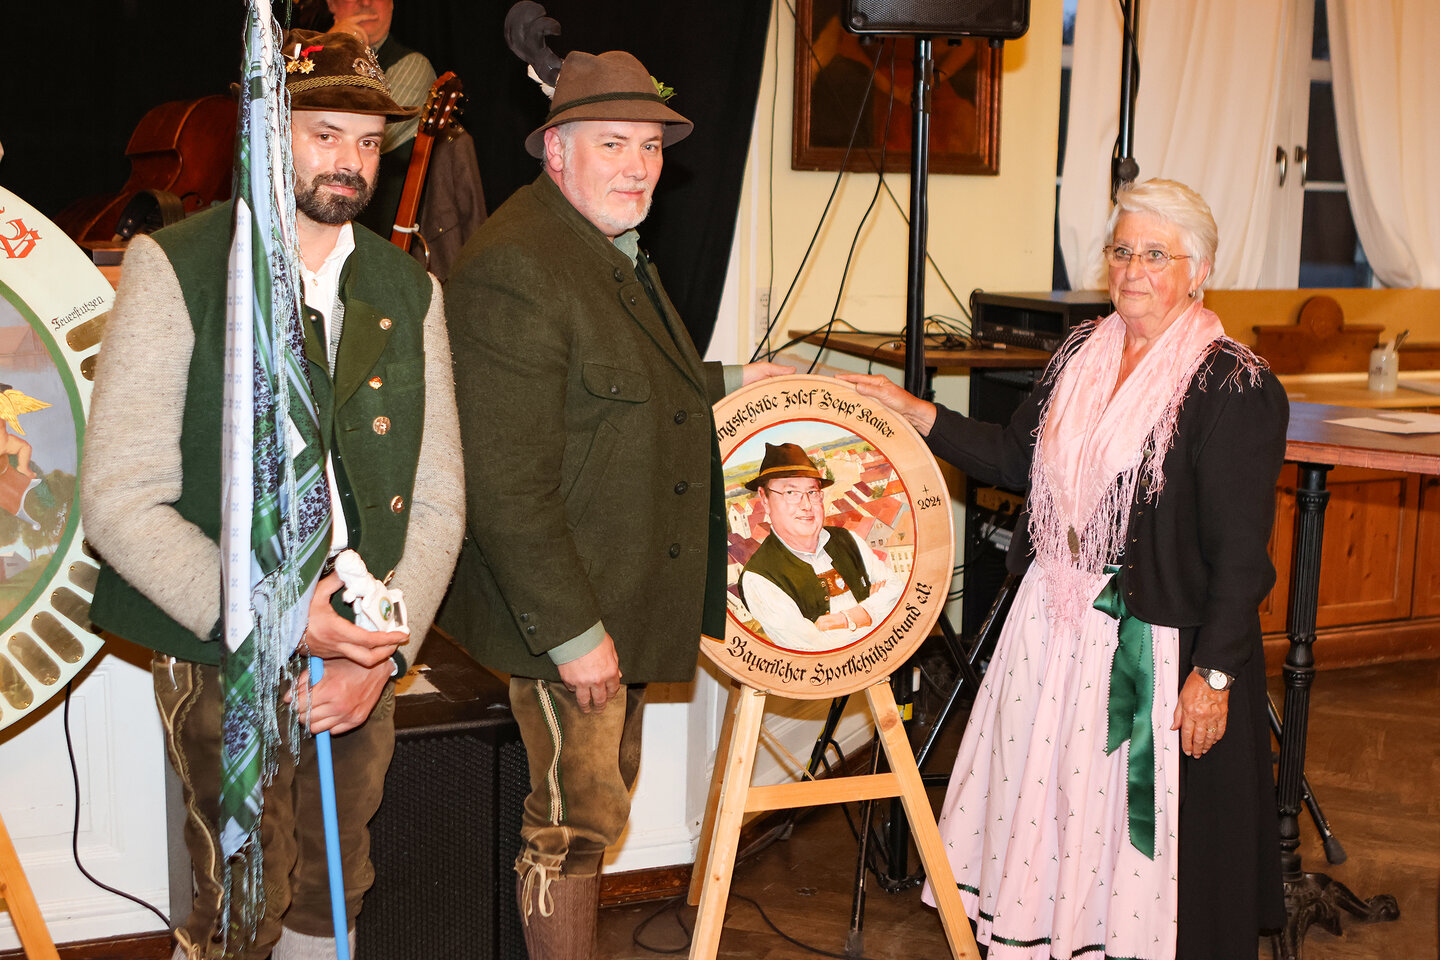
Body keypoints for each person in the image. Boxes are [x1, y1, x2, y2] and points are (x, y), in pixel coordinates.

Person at [81, 29, 464, 960]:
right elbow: (120, 500)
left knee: (335, 889)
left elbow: (439, 497)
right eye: (324, 134)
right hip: (225, 646)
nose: (350, 162)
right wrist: (288, 620)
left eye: (367, 142)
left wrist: (380, 655)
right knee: (242, 904)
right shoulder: (179, 267)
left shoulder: (408, 289)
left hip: (361, 646)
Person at [841, 179, 1287, 959]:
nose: (1134, 269)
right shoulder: (1081, 353)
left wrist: (1214, 675)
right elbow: (1014, 459)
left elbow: (1242, 553)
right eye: (1122, 250)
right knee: (1048, 811)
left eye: (1156, 254)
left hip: (1149, 643)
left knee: (1123, 827)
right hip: (1051, 624)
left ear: (1201, 270)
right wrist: (919, 414)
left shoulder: (1232, 384)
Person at [441, 48, 789, 960]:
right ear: (556, 150)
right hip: (568, 607)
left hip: (609, 591)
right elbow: (504, 481)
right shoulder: (519, 264)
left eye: (651, 146)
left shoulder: (602, 246)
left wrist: (738, 380)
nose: (638, 167)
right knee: (575, 821)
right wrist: (572, 633)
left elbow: (619, 381)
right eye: (613, 144)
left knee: (597, 802)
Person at [738, 442, 902, 651]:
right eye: (791, 492)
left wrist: (847, 618)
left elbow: (898, 592)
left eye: (812, 492)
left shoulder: (848, 539)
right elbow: (815, 649)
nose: (806, 505)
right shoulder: (758, 578)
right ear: (765, 499)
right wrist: (876, 610)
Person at [326, 0, 437, 238]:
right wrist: (329, 48)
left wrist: (337, 51)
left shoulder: (412, 66)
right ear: (331, 4)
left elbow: (367, 136)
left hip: (371, 233)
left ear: (392, 4)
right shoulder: (297, 56)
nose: (365, 2)